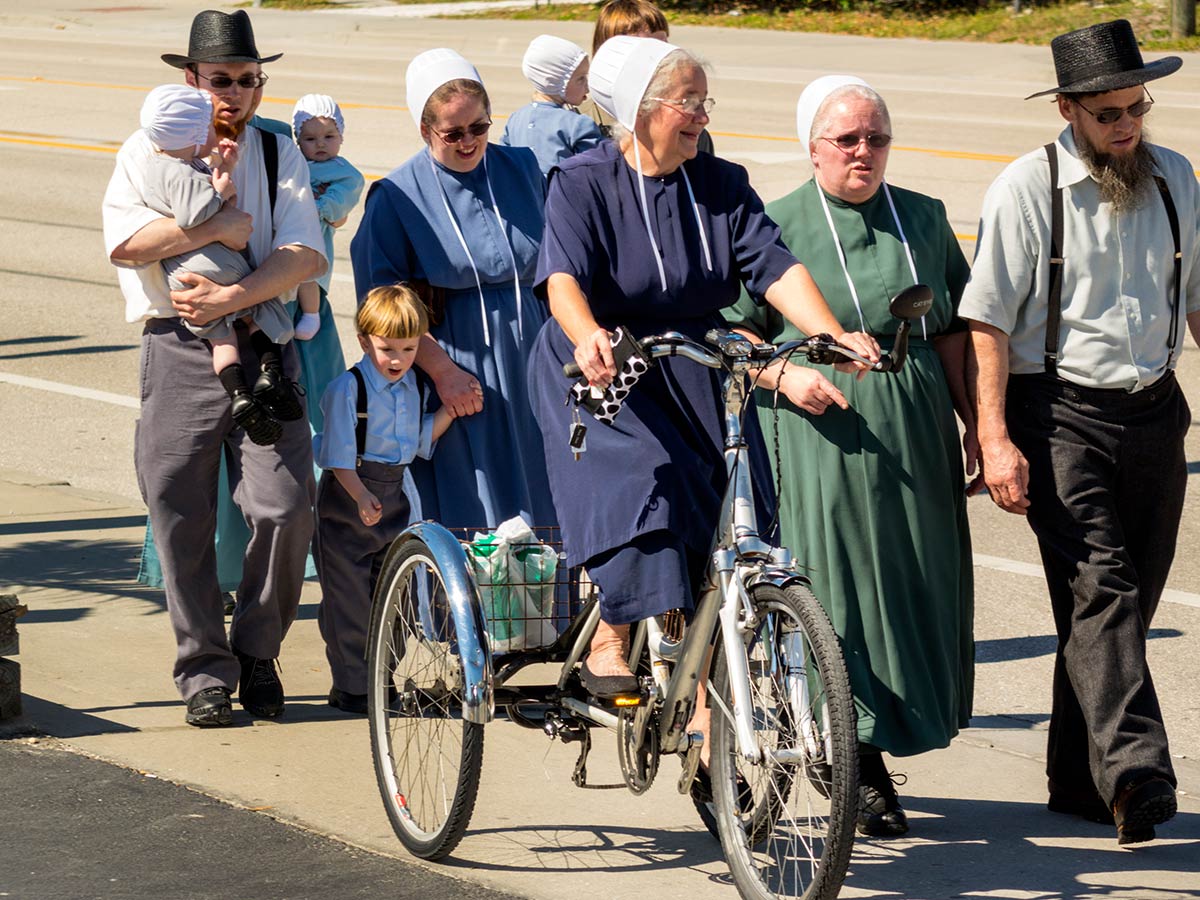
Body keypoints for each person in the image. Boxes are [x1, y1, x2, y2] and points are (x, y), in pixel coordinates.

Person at [526, 38, 877, 781]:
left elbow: (773, 265)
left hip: (691, 357)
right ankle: (609, 636)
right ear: (641, 110)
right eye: (689, 102)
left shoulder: (720, 181)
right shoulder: (582, 180)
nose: (700, 115)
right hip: (602, 359)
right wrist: (589, 336)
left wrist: (829, 333)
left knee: (732, 503)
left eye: (701, 102)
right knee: (648, 476)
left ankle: (711, 708)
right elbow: (561, 279)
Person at [960, 19, 1200, 845]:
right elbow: (986, 323)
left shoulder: (1175, 177)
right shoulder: (1025, 190)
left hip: (1155, 412)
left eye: (1137, 106)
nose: (1128, 124)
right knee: (1102, 590)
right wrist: (993, 437)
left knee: (1123, 605)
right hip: (1060, 413)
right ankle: (1138, 774)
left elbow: (1197, 295)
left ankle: (1077, 779)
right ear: (1067, 109)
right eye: (1107, 113)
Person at [723, 75, 975, 837]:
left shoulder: (925, 217)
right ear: (813, 146)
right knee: (842, 593)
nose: (864, 152)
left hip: (916, 434)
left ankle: (884, 738)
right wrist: (785, 374)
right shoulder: (775, 223)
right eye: (847, 139)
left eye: (877, 138)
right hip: (822, 434)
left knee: (916, 587)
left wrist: (981, 428)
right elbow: (734, 336)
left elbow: (958, 331)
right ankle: (856, 763)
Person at [102, 9, 326, 726]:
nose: (236, 94)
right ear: (192, 81)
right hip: (176, 346)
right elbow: (128, 244)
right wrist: (216, 227)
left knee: (286, 507)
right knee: (176, 506)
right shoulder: (147, 148)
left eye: (248, 80)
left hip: (264, 342)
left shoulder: (274, 153)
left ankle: (257, 649)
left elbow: (304, 254)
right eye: (221, 79)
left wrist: (234, 292)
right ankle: (203, 670)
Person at [350, 49, 556, 532]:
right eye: (453, 133)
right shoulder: (396, 196)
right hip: (459, 375)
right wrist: (443, 372)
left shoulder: (522, 168)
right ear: (425, 131)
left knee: (549, 501)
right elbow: (382, 309)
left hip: (535, 358)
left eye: (479, 128)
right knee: (476, 514)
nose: (469, 142)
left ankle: (554, 609)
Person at [313, 284, 459, 715]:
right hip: (349, 496)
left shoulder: (411, 385)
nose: (397, 360)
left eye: (409, 349)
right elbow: (337, 455)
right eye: (387, 349)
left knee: (391, 591)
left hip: (393, 492)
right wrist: (359, 494)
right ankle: (353, 685)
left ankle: (381, 676)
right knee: (348, 597)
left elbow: (413, 443)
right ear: (363, 341)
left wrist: (449, 411)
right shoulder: (348, 390)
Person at [139, 83, 302, 447]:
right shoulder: (178, 171)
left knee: (222, 338)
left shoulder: (158, 166)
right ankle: (272, 374)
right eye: (206, 127)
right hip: (213, 265)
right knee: (260, 302)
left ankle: (240, 394)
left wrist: (221, 166)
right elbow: (194, 212)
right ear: (193, 133)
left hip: (185, 279)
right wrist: (224, 189)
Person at [582, 0, 714, 155]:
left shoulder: (688, 131)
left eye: (663, 45)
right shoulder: (581, 123)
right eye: (644, 48)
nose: (658, 57)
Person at [292, 93, 365, 342]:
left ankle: (312, 314)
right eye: (310, 139)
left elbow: (345, 195)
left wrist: (320, 206)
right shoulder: (292, 162)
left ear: (341, 137)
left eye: (329, 137)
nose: (320, 144)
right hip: (287, 229)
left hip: (315, 233)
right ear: (298, 141)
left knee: (307, 274)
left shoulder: (343, 171)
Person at [500, 34, 603, 176]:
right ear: (553, 81)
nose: (588, 87)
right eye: (580, 79)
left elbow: (503, 165)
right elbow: (597, 173)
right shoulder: (578, 125)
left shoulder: (515, 119)